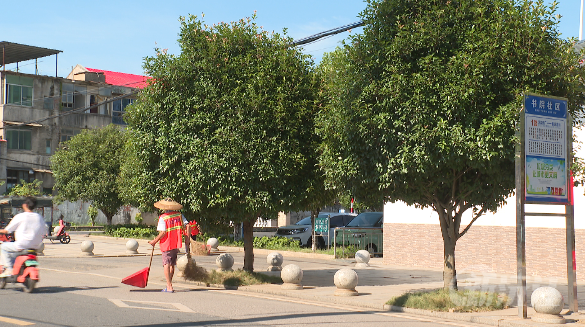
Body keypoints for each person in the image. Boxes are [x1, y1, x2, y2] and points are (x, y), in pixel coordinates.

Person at [148, 198, 190, 293]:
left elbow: (163, 232)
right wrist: (187, 238)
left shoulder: (163, 217)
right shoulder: (179, 215)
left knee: (166, 264)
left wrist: (155, 241)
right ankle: (169, 284)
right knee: (171, 264)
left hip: (166, 243)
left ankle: (169, 286)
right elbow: (188, 225)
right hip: (176, 243)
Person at [0, 196, 48, 277]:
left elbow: (6, 231)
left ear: (25, 205)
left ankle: (8, 269)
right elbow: (44, 232)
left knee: (3, 247)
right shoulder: (39, 217)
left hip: (21, 245)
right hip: (36, 246)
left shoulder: (20, 216)